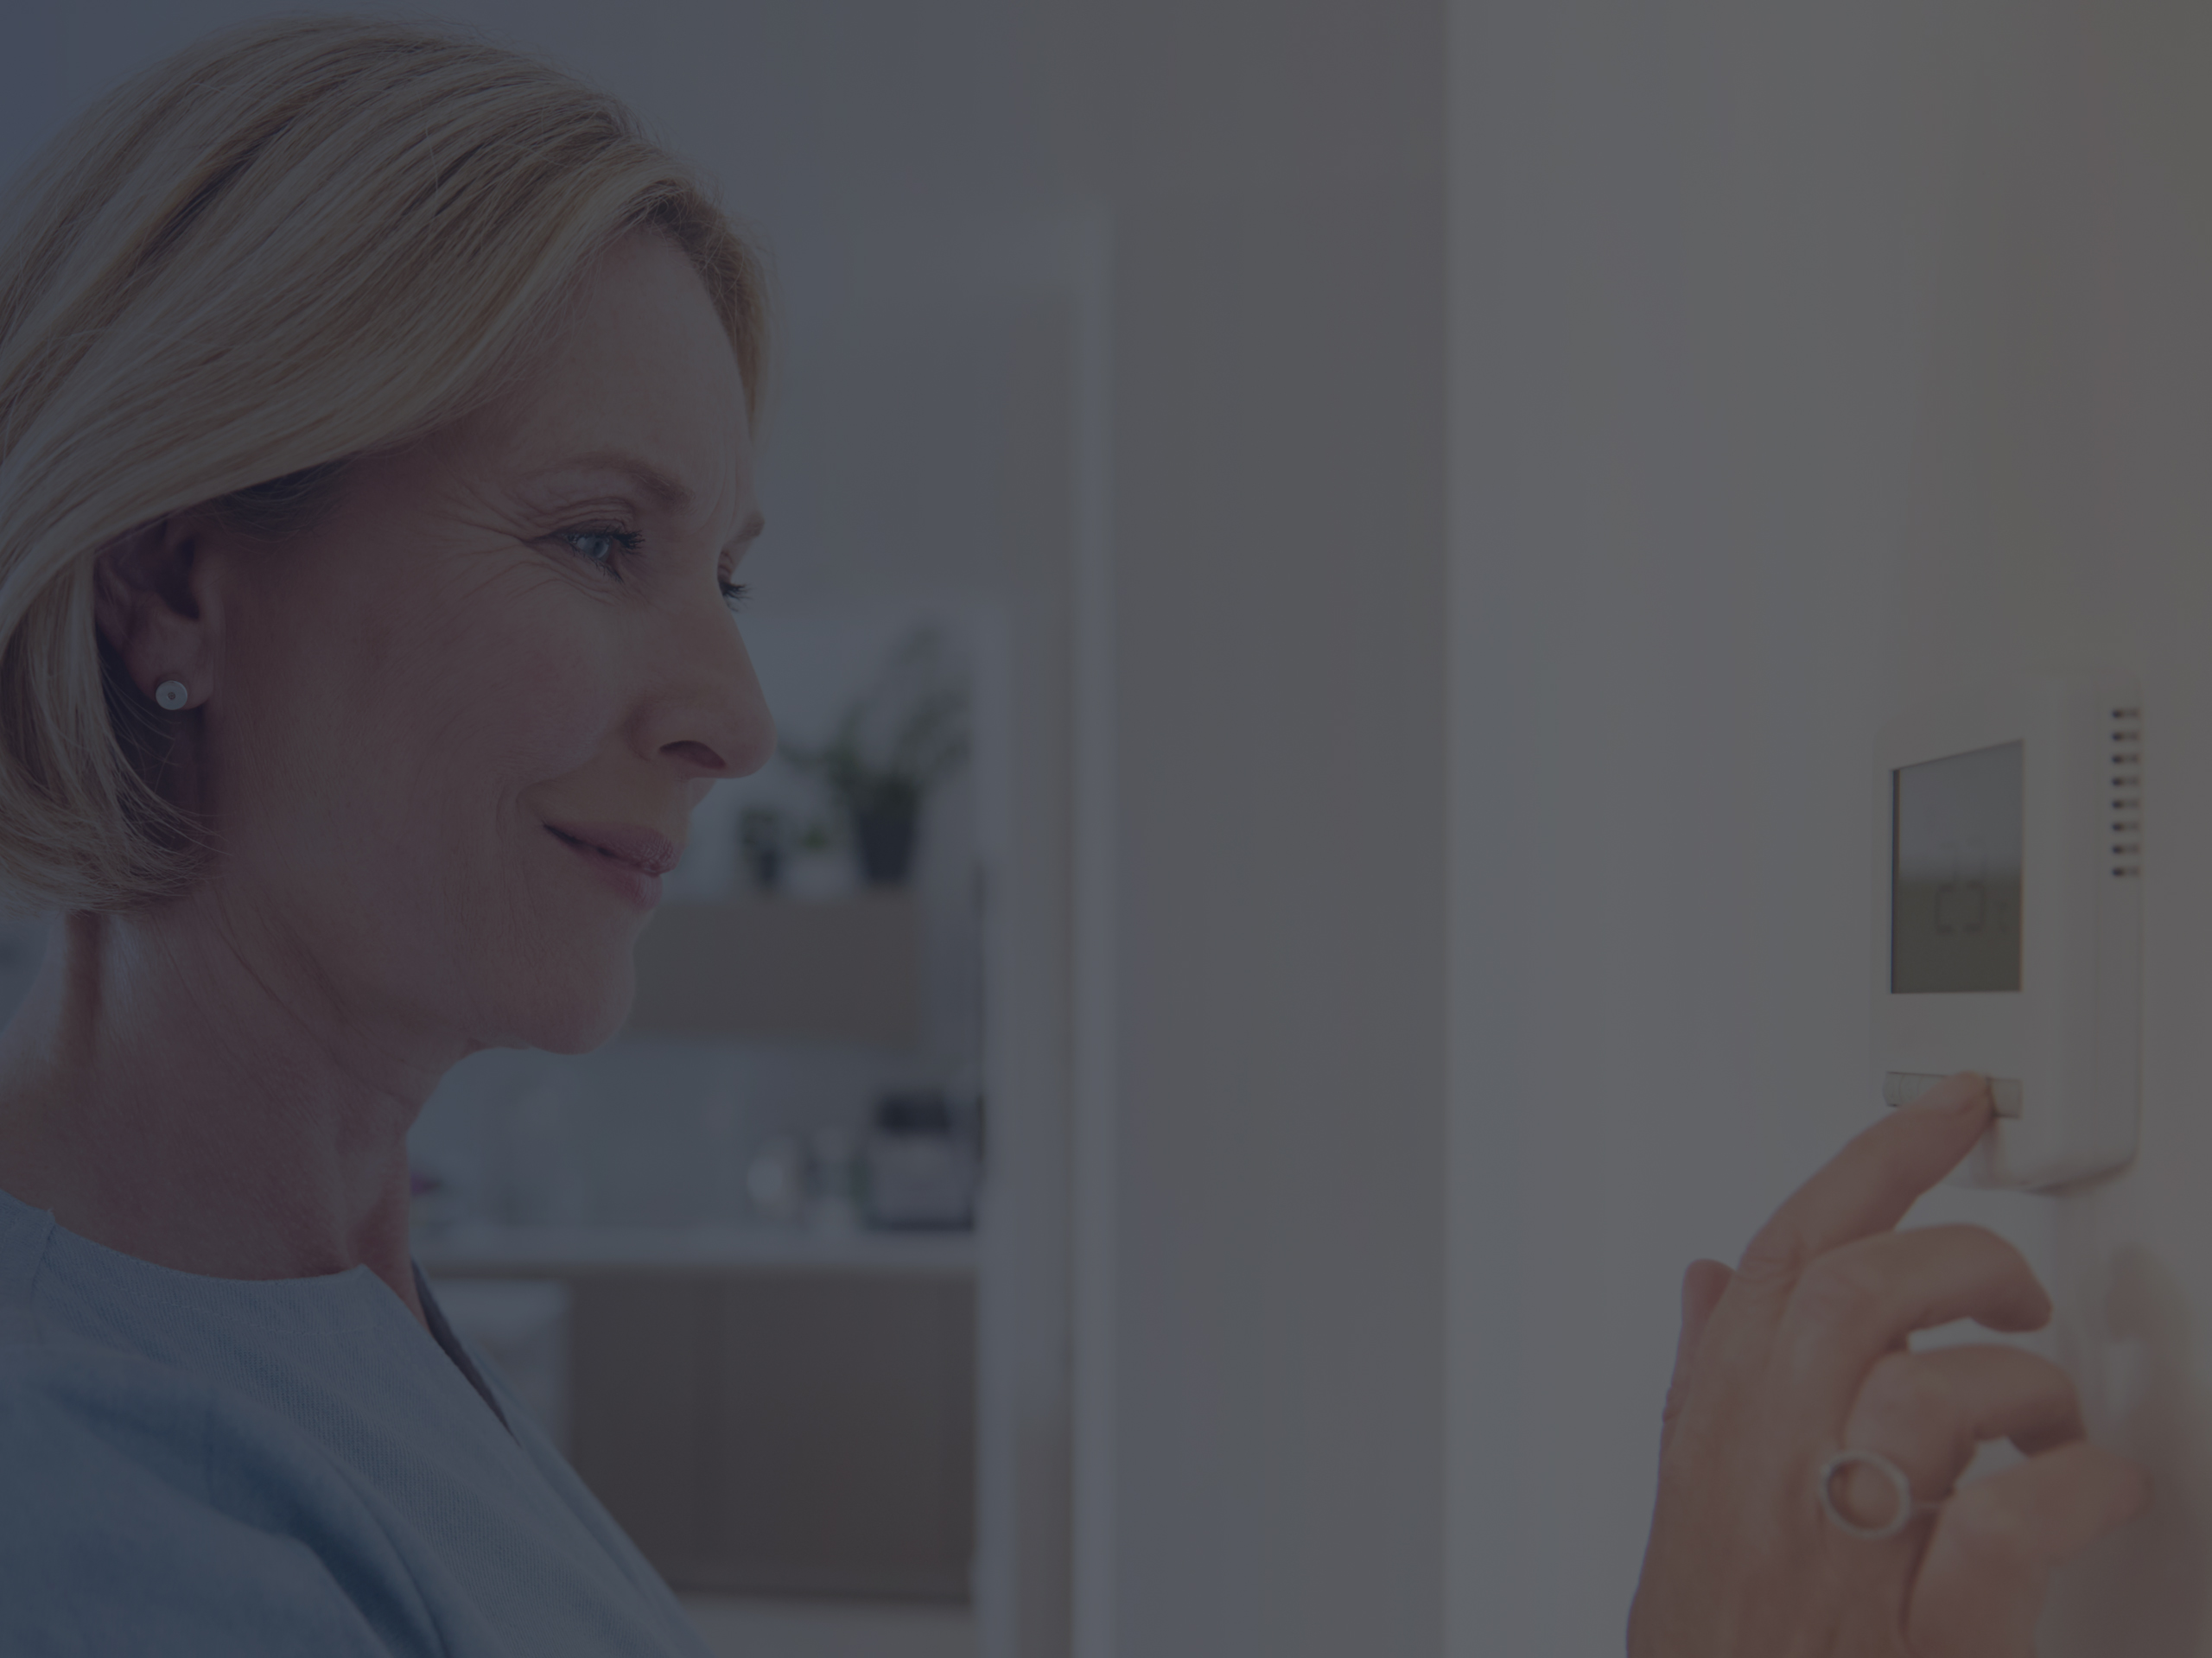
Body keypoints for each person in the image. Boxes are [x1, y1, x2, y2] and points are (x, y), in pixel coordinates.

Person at [0, 16, 2148, 1655]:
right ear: (176, 586)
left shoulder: (324, 1290)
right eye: (593, 540)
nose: (737, 719)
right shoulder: (85, 1514)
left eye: (724, 574)